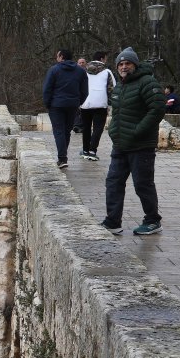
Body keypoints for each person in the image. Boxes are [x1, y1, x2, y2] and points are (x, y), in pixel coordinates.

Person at [101, 47, 166, 236]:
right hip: (120, 144)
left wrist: (137, 131)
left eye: (127, 63)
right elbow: (118, 113)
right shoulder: (120, 85)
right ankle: (112, 221)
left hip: (141, 145)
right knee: (113, 182)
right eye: (120, 64)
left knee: (142, 184)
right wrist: (114, 131)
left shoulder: (147, 82)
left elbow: (157, 109)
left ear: (135, 65)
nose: (123, 67)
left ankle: (153, 220)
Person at [43, 49, 89, 168]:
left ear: (61, 57)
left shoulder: (54, 70)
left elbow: (47, 89)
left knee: (59, 131)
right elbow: (85, 91)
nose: (56, 58)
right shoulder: (80, 71)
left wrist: (47, 104)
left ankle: (62, 159)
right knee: (66, 131)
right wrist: (78, 102)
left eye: (57, 56)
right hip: (72, 105)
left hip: (56, 105)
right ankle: (63, 157)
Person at [78, 51, 116, 161]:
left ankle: (85, 150)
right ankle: (92, 150)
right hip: (100, 103)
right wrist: (110, 103)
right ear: (102, 59)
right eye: (105, 58)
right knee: (98, 128)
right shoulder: (107, 72)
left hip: (85, 103)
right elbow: (112, 89)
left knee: (86, 127)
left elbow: (79, 86)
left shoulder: (83, 71)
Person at [73, 57, 88, 133]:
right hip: (76, 94)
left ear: (86, 64)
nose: (81, 64)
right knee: (77, 111)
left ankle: (81, 126)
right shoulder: (74, 73)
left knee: (83, 111)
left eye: (83, 62)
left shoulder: (89, 73)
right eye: (80, 63)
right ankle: (76, 126)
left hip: (86, 94)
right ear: (77, 64)